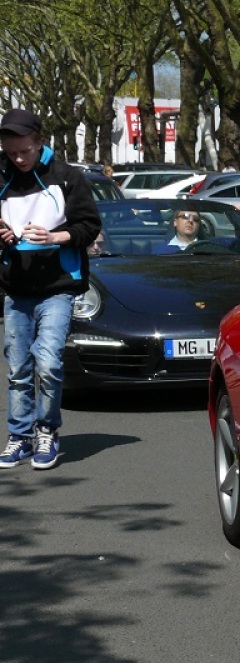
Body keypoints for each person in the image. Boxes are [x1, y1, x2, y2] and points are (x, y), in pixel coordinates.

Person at [0, 107, 101, 470]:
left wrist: (55, 236)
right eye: (11, 152)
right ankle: (19, 437)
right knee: (17, 367)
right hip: (16, 288)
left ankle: (46, 431)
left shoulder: (67, 177)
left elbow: (89, 226)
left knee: (48, 362)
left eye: (24, 151)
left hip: (57, 287)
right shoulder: (2, 175)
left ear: (40, 142)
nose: (18, 158)